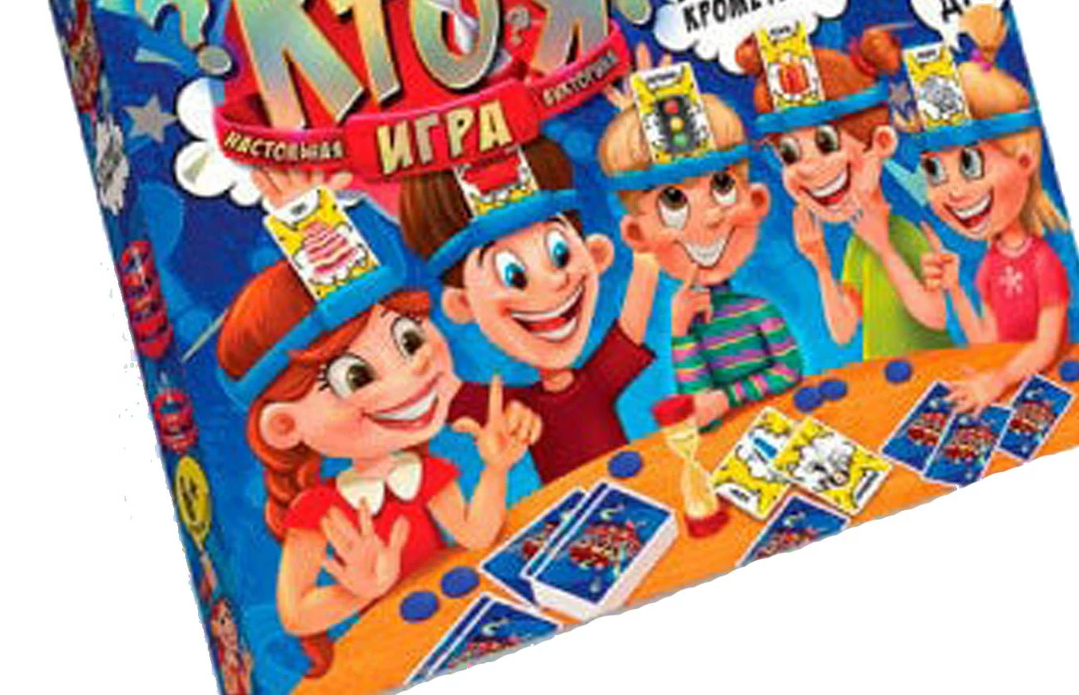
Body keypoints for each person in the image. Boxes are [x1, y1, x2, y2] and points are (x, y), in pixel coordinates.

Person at [217, 226, 539, 678]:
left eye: (409, 340)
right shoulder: (319, 509)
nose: (415, 368)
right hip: (390, 658)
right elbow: (296, 614)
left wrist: (495, 470)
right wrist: (359, 591)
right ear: (285, 425)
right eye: (356, 376)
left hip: (461, 627)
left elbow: (475, 534)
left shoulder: (425, 471)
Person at [399, 135, 660, 482]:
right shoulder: (512, 409)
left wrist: (647, 259)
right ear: (462, 304)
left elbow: (630, 328)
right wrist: (420, 347)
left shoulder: (596, 382)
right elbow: (445, 390)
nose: (554, 281)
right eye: (513, 274)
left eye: (559, 253)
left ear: (596, 254)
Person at [597, 55, 800, 429]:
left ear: (757, 201)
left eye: (722, 186)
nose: (709, 217)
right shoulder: (690, 328)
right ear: (637, 236)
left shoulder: (758, 311)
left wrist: (727, 398)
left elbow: (789, 371)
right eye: (674, 200)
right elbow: (699, 414)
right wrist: (679, 333)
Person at [738, 25, 953, 360]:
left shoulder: (905, 234)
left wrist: (885, 249)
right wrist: (821, 264)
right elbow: (843, 331)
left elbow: (935, 317)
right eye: (790, 153)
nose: (808, 167)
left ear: (882, 142)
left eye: (826, 143)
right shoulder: (857, 245)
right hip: (883, 379)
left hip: (935, 372)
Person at [915, 5, 1071, 411]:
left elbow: (1047, 346)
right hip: (1008, 385)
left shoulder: (1042, 261)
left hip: (1050, 385)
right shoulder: (991, 260)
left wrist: (998, 380)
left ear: (1024, 162)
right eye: (935, 170)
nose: (953, 191)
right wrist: (955, 290)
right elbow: (986, 340)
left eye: (969, 164)